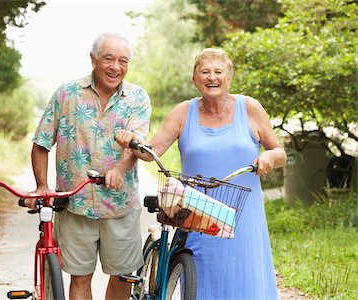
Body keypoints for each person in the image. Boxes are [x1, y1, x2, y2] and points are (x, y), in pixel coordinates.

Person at [115, 47, 287, 299]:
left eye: (219, 71)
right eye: (204, 72)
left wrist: (269, 156)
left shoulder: (249, 108)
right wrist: (132, 140)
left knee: (246, 277)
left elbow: (279, 152)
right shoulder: (183, 112)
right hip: (198, 214)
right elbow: (152, 151)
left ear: (229, 77)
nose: (212, 77)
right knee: (201, 278)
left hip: (244, 212)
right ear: (195, 80)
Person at [28, 32, 152, 300]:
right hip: (76, 204)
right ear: (93, 59)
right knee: (80, 278)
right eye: (108, 58)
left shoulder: (137, 98)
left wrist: (118, 170)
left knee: (122, 276)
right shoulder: (66, 93)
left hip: (120, 205)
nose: (115, 67)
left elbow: (136, 144)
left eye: (123, 61)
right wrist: (42, 186)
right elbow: (41, 142)